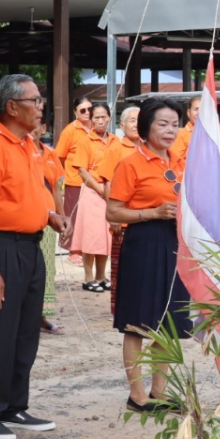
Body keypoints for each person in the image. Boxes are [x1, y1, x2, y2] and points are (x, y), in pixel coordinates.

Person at [0, 75, 66, 439]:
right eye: (35, 100)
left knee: (26, 331)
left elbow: (28, 192)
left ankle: (14, 405)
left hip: (30, 247)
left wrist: (50, 215)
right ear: (12, 107)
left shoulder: (27, 145)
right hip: (1, 248)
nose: (41, 107)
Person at [105, 98, 190, 412]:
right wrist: (152, 212)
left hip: (176, 245)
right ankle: (136, 393)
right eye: (162, 124)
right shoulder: (131, 163)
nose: (170, 130)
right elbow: (112, 212)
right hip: (144, 244)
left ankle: (160, 391)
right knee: (138, 322)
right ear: (145, 128)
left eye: (174, 124)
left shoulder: (179, 162)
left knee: (169, 321)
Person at [96, 105, 140, 318]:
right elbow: (108, 183)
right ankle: (120, 310)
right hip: (122, 218)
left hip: (145, 219)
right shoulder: (116, 148)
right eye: (132, 120)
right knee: (119, 268)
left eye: (140, 120)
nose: (136, 124)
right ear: (122, 126)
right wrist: (114, 213)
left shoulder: (149, 147)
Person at [67, 103, 113, 292]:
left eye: (104, 117)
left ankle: (101, 275)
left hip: (110, 191)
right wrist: (100, 189)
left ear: (109, 118)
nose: (100, 121)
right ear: (91, 120)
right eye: (97, 117)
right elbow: (82, 171)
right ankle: (88, 277)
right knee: (91, 236)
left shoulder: (115, 141)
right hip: (92, 191)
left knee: (105, 235)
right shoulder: (85, 140)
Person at [33, 118, 65, 335]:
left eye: (37, 123)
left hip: (48, 220)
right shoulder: (19, 152)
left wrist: (62, 216)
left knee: (46, 267)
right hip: (27, 218)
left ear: (44, 128)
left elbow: (56, 189)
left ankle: (42, 316)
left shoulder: (51, 154)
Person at [55, 96, 94, 230]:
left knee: (90, 223)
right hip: (75, 184)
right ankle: (72, 250)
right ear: (75, 112)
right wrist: (64, 179)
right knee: (74, 222)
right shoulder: (69, 131)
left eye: (90, 109)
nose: (87, 112)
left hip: (95, 183)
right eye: (83, 110)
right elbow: (59, 157)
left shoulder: (98, 128)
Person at [170, 95, 201, 163]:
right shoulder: (181, 134)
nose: (199, 113)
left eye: (202, 110)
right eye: (196, 109)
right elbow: (175, 161)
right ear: (188, 112)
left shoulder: (214, 133)